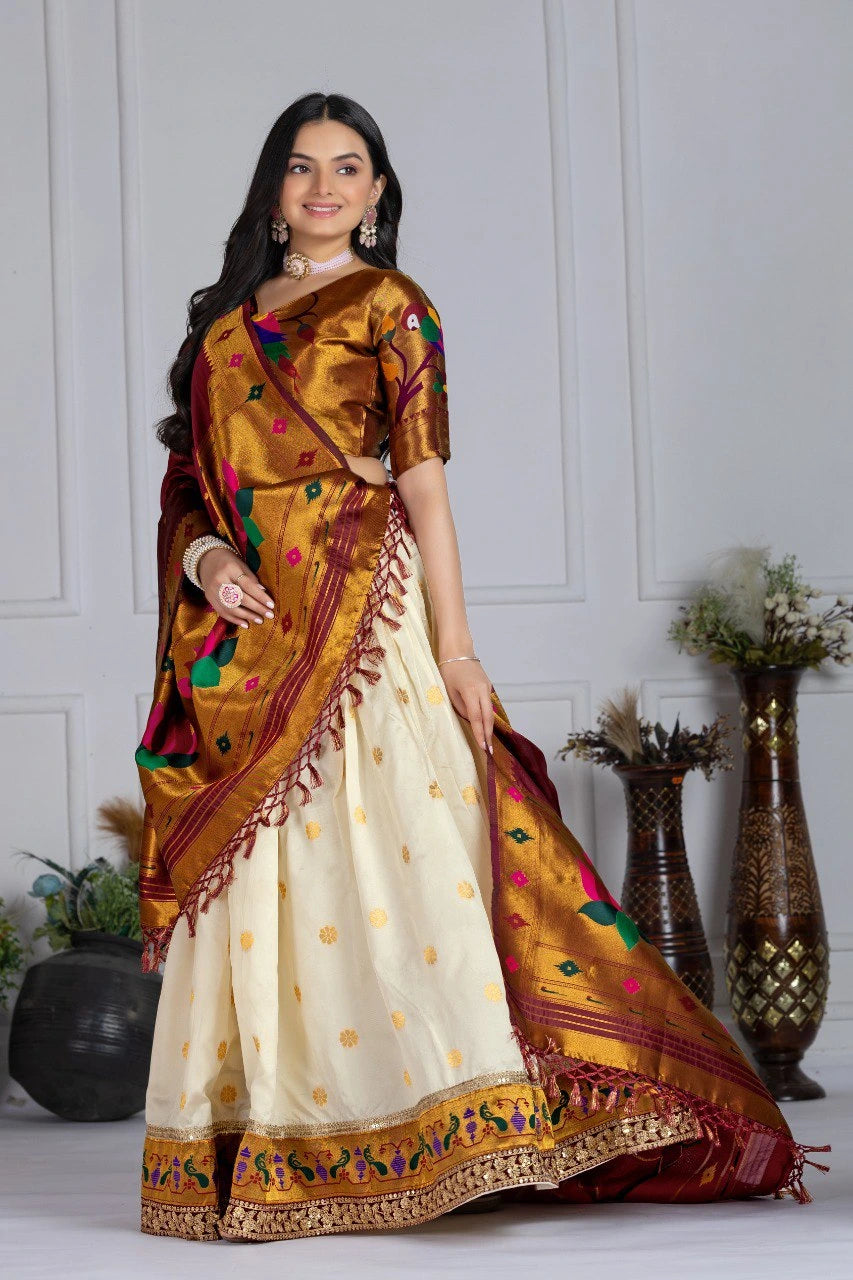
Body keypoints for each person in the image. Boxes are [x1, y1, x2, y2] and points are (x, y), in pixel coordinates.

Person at [136, 92, 827, 1243]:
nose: (322, 187)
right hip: (247, 634)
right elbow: (186, 486)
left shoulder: (396, 308)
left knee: (400, 851)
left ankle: (431, 1119)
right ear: (270, 189)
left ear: (378, 191)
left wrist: (456, 650)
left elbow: (421, 489)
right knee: (265, 878)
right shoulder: (223, 323)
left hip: (364, 617)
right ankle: (274, 1128)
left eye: (347, 168)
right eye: (301, 167)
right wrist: (205, 557)